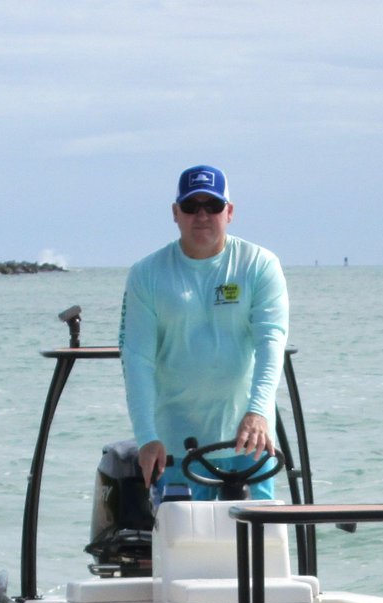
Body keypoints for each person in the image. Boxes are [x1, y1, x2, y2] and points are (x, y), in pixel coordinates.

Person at [119, 164, 289, 499]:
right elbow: (136, 359)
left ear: (229, 212)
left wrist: (258, 413)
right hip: (176, 449)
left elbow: (271, 342)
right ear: (175, 213)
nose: (202, 215)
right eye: (191, 206)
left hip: (250, 443)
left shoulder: (259, 264)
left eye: (212, 205)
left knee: (262, 533)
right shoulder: (146, 274)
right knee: (181, 533)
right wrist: (147, 437)